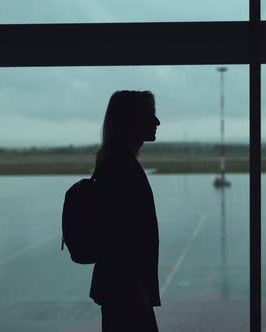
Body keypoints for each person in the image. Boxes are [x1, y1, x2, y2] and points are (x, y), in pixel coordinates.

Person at [90, 90, 161, 331]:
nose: (157, 122)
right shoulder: (121, 166)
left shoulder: (116, 161)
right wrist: (137, 289)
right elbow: (122, 237)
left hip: (123, 289)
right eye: (150, 115)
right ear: (132, 120)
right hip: (126, 290)